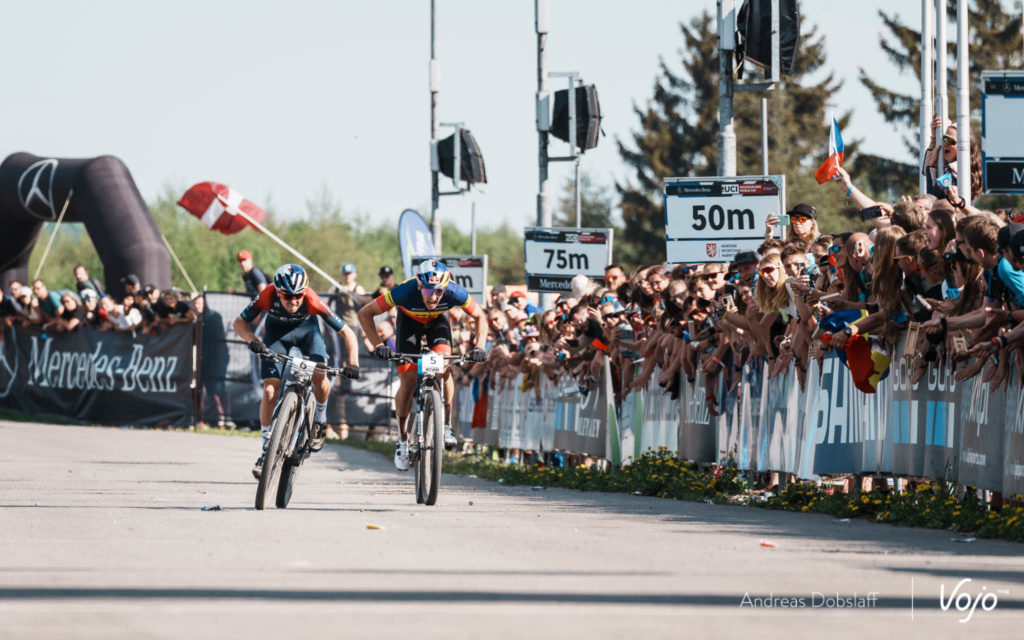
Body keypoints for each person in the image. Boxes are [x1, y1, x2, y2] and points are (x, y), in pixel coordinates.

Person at [357, 259, 488, 471]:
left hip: (437, 323)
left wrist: (480, 346)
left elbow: (480, 315)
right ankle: (402, 440)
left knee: (443, 367)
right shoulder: (403, 291)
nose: (433, 297)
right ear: (419, 285)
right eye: (428, 291)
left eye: (438, 291)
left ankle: (446, 425)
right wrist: (378, 344)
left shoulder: (454, 292)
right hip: (409, 324)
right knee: (408, 381)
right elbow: (365, 313)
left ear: (445, 287)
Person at [233, 264, 360, 478]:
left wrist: (354, 363)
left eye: (298, 295)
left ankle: (320, 420)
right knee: (270, 392)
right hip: (276, 336)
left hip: (308, 335)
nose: (293, 301)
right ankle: (265, 449)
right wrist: (252, 340)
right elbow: (239, 323)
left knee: (320, 375)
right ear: (278, 292)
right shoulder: (267, 295)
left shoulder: (312, 299)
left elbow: (348, 333)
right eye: (287, 296)